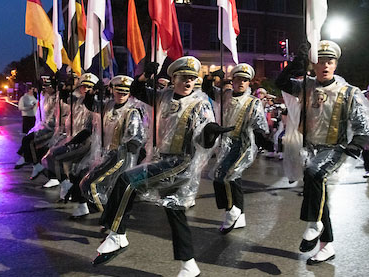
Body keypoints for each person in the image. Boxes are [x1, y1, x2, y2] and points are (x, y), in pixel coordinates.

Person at [92, 56, 232, 277]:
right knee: (174, 210)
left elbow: (205, 137)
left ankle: (117, 234)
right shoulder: (163, 96)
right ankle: (189, 265)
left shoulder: (200, 103)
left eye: (192, 78)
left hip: (181, 162)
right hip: (162, 159)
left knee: (127, 180)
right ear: (173, 78)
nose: (188, 82)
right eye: (183, 77)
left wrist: (211, 132)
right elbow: (137, 90)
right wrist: (145, 75)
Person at [275, 41, 369, 265]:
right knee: (318, 195)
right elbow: (281, 83)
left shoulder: (348, 92)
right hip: (311, 149)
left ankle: (313, 223)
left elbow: (365, 128)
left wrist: (355, 145)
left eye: (329, 61)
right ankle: (327, 246)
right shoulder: (306, 86)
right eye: (319, 61)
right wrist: (297, 62)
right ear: (313, 65)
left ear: (335, 65)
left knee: (314, 176)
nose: (324, 65)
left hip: (335, 149)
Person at [202, 63, 269, 234]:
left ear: (249, 83)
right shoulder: (224, 95)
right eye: (238, 78)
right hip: (224, 143)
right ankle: (238, 214)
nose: (241, 82)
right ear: (233, 80)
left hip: (242, 145)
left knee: (227, 176)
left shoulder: (253, 102)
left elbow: (259, 125)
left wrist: (263, 138)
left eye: (245, 80)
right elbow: (207, 89)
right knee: (227, 178)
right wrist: (211, 77)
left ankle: (233, 210)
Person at [79, 75, 148, 214]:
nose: (121, 95)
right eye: (118, 91)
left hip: (121, 156)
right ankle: (109, 214)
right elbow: (89, 104)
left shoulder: (132, 110)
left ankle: (108, 214)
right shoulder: (107, 105)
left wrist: (131, 149)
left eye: (125, 92)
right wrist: (93, 92)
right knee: (101, 186)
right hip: (107, 154)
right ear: (113, 90)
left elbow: (136, 136)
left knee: (91, 184)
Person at [41, 73, 98, 219]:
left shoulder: (97, 103)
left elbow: (91, 128)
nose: (85, 89)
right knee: (59, 160)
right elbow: (64, 96)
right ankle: (73, 193)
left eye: (89, 87)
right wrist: (67, 83)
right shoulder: (77, 100)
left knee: (81, 174)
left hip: (92, 144)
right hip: (77, 138)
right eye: (83, 86)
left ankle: (86, 203)